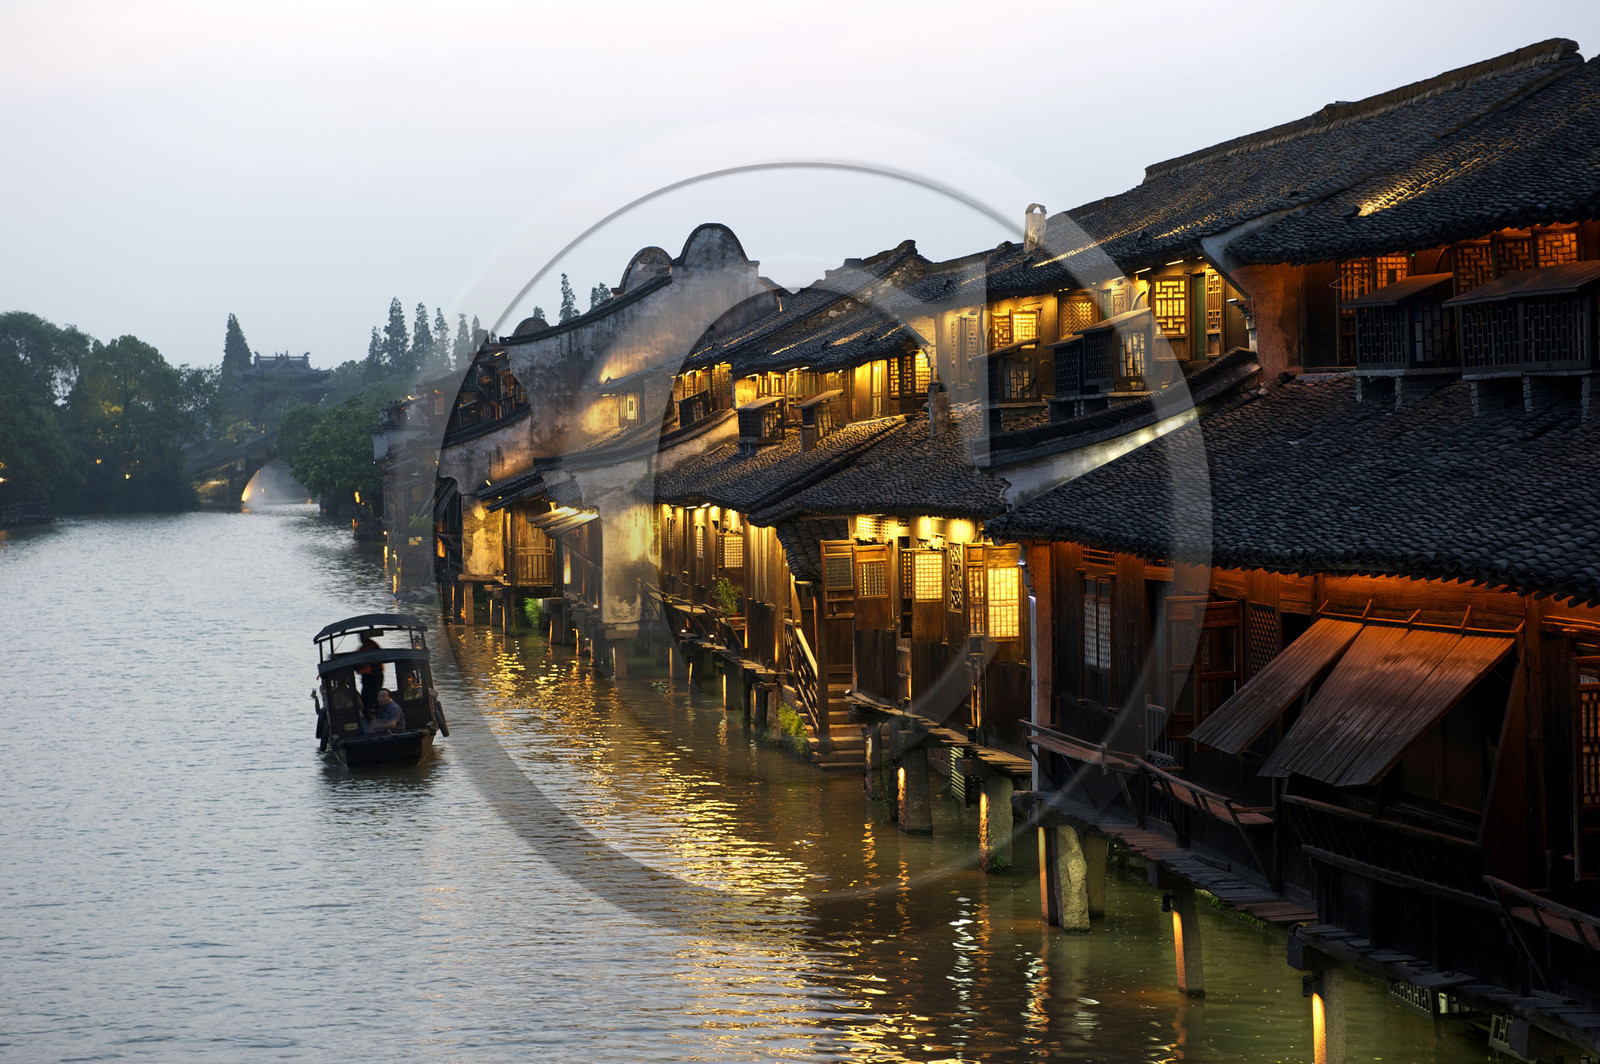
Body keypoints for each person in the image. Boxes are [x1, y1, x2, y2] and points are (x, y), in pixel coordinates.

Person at [356, 633, 382, 711]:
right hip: (366, 678)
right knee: (364, 697)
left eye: (362, 637)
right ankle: (366, 712)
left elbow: (375, 662)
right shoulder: (363, 648)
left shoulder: (373, 646)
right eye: (360, 637)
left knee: (372, 697)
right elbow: (356, 656)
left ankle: (374, 712)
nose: (360, 639)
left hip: (374, 676)